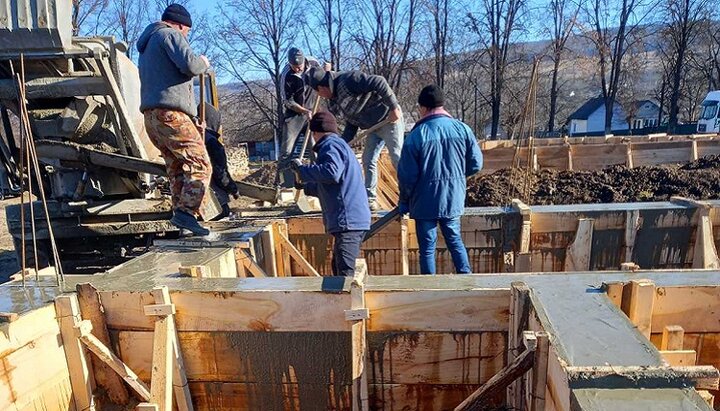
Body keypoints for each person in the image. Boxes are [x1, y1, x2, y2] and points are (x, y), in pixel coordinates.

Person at [137, 4, 212, 236]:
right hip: (170, 114)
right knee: (200, 165)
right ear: (181, 25)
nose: (186, 36)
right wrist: (203, 62)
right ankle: (186, 213)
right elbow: (190, 65)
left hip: (152, 117)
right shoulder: (169, 34)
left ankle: (181, 219)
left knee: (178, 167)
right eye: (186, 32)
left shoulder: (148, 44)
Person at [397, 85, 483, 274]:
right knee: (454, 240)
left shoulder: (416, 136)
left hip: (424, 202)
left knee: (427, 249)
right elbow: (476, 164)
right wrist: (457, 177)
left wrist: (404, 201)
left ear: (424, 108)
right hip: (453, 198)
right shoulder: (463, 129)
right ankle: (466, 280)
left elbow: (407, 176)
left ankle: (430, 289)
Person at [305, 67, 404, 211]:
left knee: (396, 156)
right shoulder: (334, 101)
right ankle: (370, 199)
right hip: (372, 127)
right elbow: (351, 121)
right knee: (368, 160)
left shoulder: (349, 80)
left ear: (321, 88)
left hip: (389, 119)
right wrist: (342, 144)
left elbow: (379, 81)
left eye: (317, 92)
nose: (320, 95)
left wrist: (394, 107)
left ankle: (410, 195)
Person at [291, 111, 371, 277]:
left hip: (348, 221)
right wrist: (305, 186)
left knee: (346, 277)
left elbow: (331, 172)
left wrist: (302, 170)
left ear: (315, 132)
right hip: (351, 221)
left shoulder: (330, 145)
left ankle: (350, 303)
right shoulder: (339, 145)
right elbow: (333, 185)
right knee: (339, 268)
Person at [276, 47, 320, 188]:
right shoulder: (286, 74)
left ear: (304, 62)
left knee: (315, 148)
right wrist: (303, 110)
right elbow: (287, 101)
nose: (296, 69)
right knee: (287, 151)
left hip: (312, 112)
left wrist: (328, 69)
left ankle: (317, 182)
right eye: (293, 67)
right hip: (294, 116)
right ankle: (286, 185)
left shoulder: (314, 63)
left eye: (299, 67)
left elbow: (323, 76)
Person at [199, 102, 239, 220]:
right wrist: (233, 189)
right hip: (210, 198)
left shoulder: (190, 138)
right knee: (223, 212)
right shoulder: (211, 142)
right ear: (213, 121)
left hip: (190, 198)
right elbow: (220, 173)